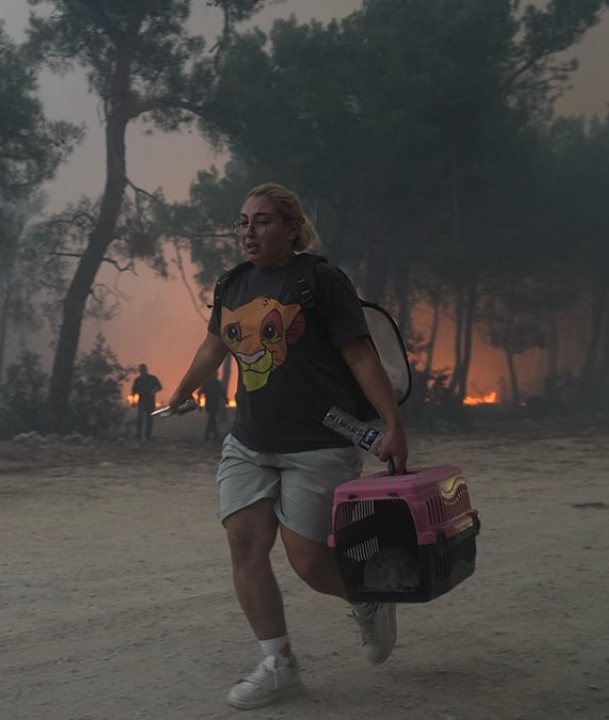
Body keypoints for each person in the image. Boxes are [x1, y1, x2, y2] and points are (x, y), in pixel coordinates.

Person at [163, 183, 409, 710]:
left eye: (264, 221)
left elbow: (361, 355)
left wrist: (393, 423)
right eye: (243, 222)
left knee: (310, 564)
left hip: (319, 443)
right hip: (249, 442)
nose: (250, 231)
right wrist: (185, 387)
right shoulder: (233, 283)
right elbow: (216, 344)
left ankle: (366, 597)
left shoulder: (320, 280)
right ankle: (280, 666)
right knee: (244, 546)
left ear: (292, 229)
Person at [130, 363, 163, 441]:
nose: (142, 371)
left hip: (150, 401)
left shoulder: (152, 378)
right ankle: (138, 435)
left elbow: (160, 387)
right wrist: (133, 402)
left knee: (149, 419)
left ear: (146, 370)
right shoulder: (138, 380)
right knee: (140, 419)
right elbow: (133, 391)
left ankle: (147, 436)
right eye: (141, 370)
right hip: (141, 401)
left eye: (144, 370)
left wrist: (154, 391)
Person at [199, 374, 227, 441]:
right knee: (212, 417)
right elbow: (200, 392)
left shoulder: (215, 383)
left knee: (212, 417)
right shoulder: (208, 383)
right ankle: (210, 434)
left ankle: (212, 434)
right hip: (210, 403)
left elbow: (222, 392)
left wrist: (226, 399)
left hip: (214, 403)